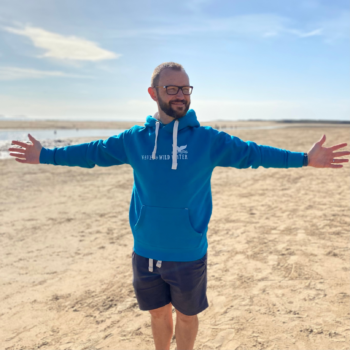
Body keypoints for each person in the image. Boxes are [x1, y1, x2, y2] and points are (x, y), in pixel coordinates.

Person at [8, 62, 350, 350]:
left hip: (187, 252)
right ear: (153, 93)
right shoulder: (134, 139)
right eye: (172, 89)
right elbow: (91, 153)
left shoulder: (208, 140)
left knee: (186, 315)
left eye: (186, 89)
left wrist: (304, 159)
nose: (181, 95)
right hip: (145, 250)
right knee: (157, 314)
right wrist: (45, 155)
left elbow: (254, 153)